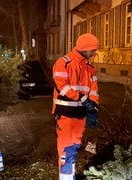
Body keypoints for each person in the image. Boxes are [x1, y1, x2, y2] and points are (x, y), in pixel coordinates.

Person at [52, 33, 100, 180]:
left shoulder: (89, 67)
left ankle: (69, 176)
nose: (94, 53)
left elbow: (94, 89)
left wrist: (93, 109)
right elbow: (62, 87)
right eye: (93, 50)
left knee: (74, 147)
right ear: (85, 49)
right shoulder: (63, 62)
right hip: (65, 112)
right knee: (66, 149)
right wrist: (84, 99)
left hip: (81, 114)